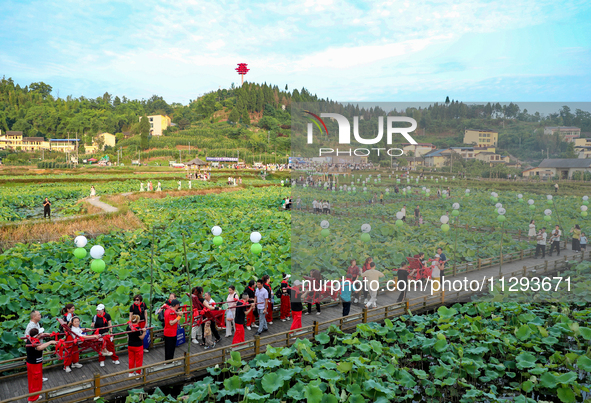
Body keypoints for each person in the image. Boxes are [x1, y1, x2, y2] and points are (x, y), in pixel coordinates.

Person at [26, 328, 57, 401]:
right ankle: (32, 399)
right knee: (35, 382)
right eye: (40, 334)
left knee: (36, 380)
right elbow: (39, 348)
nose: (41, 334)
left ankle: (36, 395)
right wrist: (50, 342)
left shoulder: (31, 338)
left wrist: (48, 334)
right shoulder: (34, 342)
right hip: (34, 364)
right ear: (37, 335)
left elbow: (41, 335)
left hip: (33, 363)